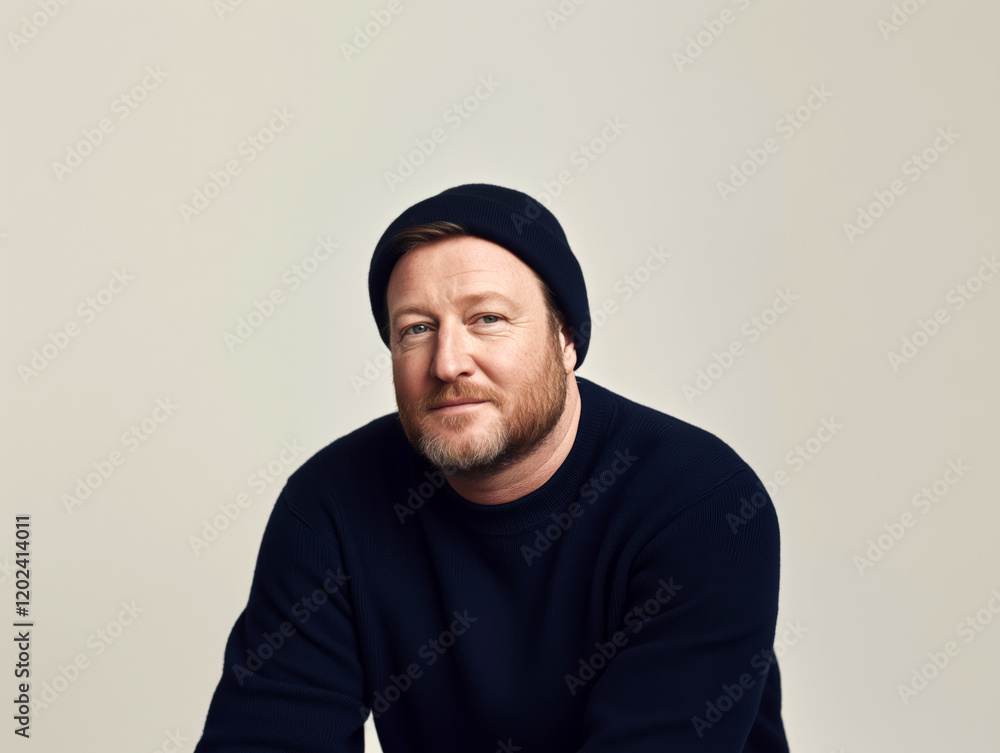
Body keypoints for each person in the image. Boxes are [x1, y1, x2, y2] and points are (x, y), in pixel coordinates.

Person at [192, 183, 790, 752]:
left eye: (488, 319)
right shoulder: (330, 508)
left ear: (566, 339)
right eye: (416, 329)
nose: (448, 363)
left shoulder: (702, 506)